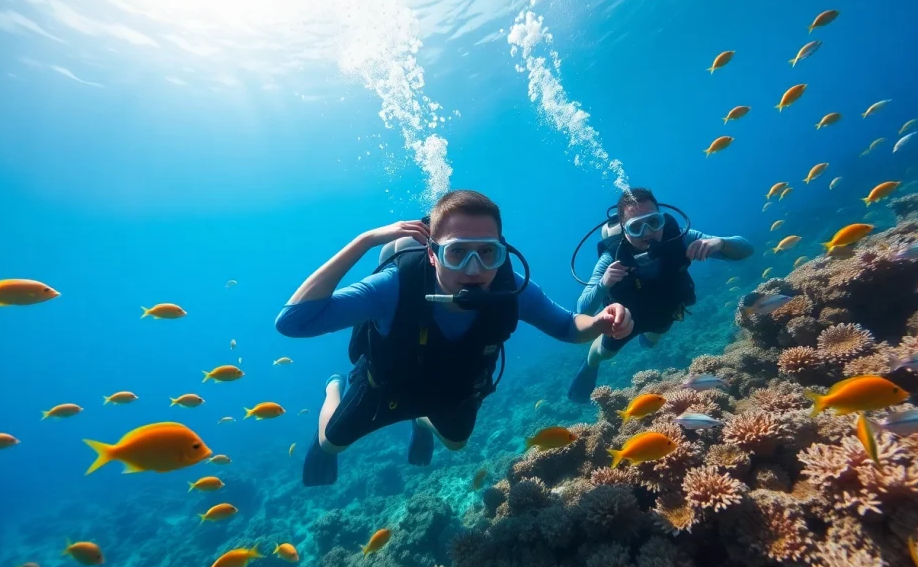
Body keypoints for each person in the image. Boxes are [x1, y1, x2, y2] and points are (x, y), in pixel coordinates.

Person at [275, 189, 634, 486]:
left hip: (451, 389)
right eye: (457, 252)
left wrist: (601, 321)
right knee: (330, 443)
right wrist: (365, 241)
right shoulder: (395, 287)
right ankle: (333, 387)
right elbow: (293, 322)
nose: (474, 270)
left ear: (502, 253)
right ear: (432, 255)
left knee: (457, 444)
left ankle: (422, 420)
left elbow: (569, 328)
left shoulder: (512, 290)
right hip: (386, 386)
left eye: (487, 252)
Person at [567, 187, 754, 403]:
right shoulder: (612, 257)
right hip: (624, 320)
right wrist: (604, 283)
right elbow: (583, 310)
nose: (647, 232)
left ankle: (646, 339)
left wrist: (721, 243)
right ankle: (591, 364)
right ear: (624, 230)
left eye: (654, 222)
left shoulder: (681, 239)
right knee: (605, 354)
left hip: (666, 310)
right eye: (636, 227)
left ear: (662, 219)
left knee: (653, 339)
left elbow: (746, 249)